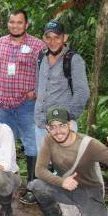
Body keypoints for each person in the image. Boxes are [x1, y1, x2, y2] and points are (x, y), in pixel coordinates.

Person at [29, 107, 108, 216]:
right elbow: (39, 170)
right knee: (37, 185)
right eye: (53, 127)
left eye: (62, 125)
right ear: (48, 128)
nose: (58, 131)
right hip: (65, 187)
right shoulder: (49, 140)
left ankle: (91, 211)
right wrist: (62, 182)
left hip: (87, 190)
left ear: (70, 125)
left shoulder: (89, 144)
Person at [0, 9, 45, 204]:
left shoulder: (37, 46)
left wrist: (36, 91)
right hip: (4, 105)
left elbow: (45, 72)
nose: (15, 26)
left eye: (19, 22)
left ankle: (32, 187)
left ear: (26, 24)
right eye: (12, 22)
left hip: (27, 105)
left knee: (32, 144)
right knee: (3, 145)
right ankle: (6, 185)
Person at [34, 20, 90, 156]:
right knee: (44, 166)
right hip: (41, 123)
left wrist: (66, 119)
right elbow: (38, 85)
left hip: (62, 127)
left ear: (65, 37)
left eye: (57, 37)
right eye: (49, 37)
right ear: (44, 38)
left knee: (66, 167)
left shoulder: (73, 59)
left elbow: (82, 92)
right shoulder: (41, 56)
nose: (52, 41)